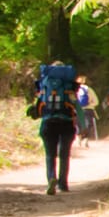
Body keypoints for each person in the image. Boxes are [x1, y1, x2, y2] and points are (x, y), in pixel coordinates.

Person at [35, 61, 85, 196]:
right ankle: (63, 184)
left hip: (48, 122)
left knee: (50, 155)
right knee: (64, 155)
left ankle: (51, 178)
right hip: (66, 123)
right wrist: (83, 126)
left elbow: (38, 105)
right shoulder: (69, 85)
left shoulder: (45, 83)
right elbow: (77, 107)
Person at [75, 75, 99, 147]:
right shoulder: (89, 89)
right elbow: (96, 102)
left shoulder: (73, 90)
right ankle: (85, 139)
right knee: (88, 124)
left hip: (77, 110)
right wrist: (90, 105)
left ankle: (79, 138)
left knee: (77, 124)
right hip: (88, 110)